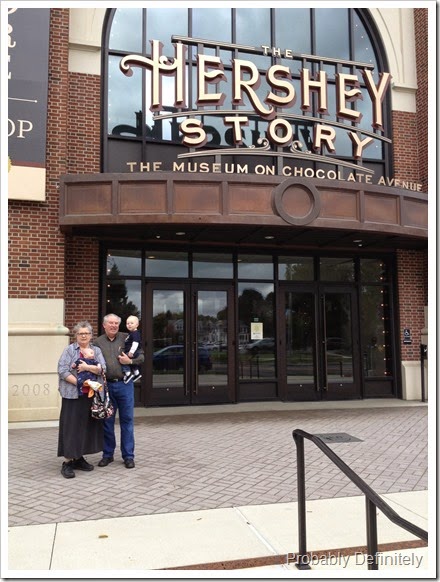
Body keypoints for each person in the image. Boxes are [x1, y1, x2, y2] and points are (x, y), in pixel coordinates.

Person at [94, 313, 145, 469]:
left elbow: (142, 357)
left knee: (127, 421)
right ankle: (107, 455)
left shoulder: (127, 337)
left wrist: (129, 361)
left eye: (116, 323)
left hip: (125, 385)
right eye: (110, 323)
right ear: (104, 325)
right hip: (106, 387)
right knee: (107, 422)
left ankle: (128, 456)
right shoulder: (97, 342)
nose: (114, 326)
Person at [57, 321, 107, 479]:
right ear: (76, 335)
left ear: (91, 335)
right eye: (80, 333)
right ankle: (68, 462)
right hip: (72, 395)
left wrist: (87, 368)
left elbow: (103, 368)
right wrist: (80, 382)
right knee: (71, 427)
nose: (84, 336)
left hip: (91, 396)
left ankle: (79, 458)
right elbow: (62, 370)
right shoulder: (70, 350)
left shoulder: (96, 350)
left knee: (85, 427)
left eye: (86, 333)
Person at [121, 315, 142, 384]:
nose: (129, 325)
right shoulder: (131, 333)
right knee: (132, 363)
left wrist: (131, 352)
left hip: (133, 352)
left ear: (137, 325)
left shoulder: (135, 333)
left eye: (131, 323)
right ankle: (137, 373)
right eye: (127, 323)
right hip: (132, 352)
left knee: (122, 360)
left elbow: (135, 343)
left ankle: (128, 374)